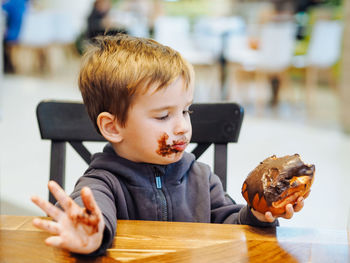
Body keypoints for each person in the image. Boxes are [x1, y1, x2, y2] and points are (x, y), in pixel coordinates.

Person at [31, 34, 305, 256]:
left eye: (186, 111)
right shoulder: (101, 183)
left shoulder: (202, 178)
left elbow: (231, 227)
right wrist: (91, 231)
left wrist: (258, 214)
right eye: (163, 116)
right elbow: (92, 212)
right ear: (113, 127)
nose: (182, 127)